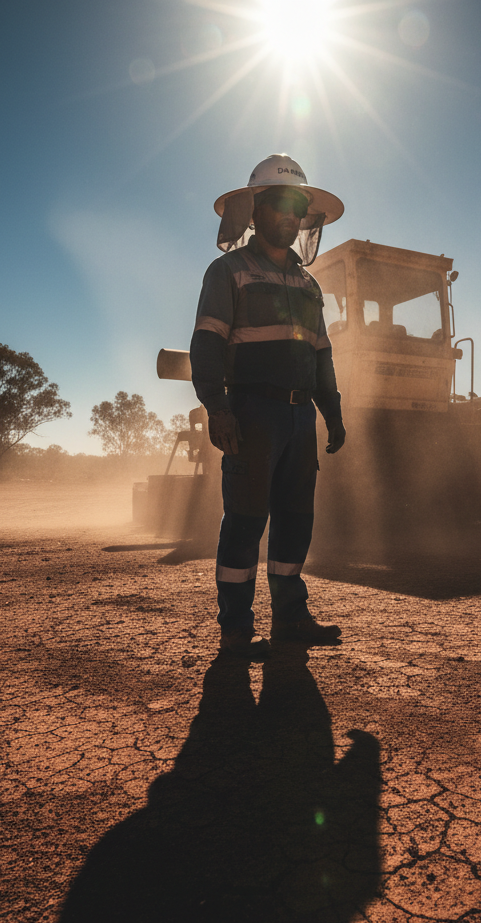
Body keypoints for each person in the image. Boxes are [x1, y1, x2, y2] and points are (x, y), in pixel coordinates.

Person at [189, 154, 347, 657]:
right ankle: (236, 628)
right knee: (245, 520)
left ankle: (291, 618)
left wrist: (332, 411)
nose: (291, 215)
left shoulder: (308, 284)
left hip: (301, 418)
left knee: (296, 520)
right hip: (252, 414)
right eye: (280, 203)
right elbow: (207, 343)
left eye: (298, 207)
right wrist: (218, 407)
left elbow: (320, 353)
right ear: (255, 212)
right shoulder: (228, 271)